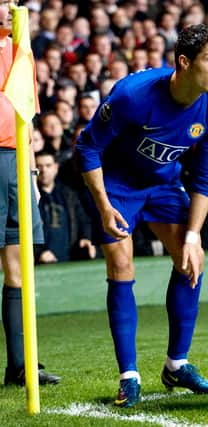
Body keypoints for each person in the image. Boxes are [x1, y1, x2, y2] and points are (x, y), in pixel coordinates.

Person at [75, 24, 208, 408]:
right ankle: (129, 377)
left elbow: (206, 177)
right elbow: (88, 147)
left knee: (193, 260)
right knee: (122, 265)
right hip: (117, 186)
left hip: (162, 185)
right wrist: (104, 205)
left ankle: (177, 364)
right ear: (183, 62)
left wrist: (193, 235)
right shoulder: (133, 96)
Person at [0, 0, 60, 386]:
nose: (9, 7)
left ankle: (21, 365)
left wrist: (34, 175)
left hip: (18, 161)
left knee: (19, 267)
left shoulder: (22, 49)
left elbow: (28, 117)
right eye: (2, 0)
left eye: (13, 1)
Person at [35, 151, 96, 263]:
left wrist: (86, 238)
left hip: (70, 260)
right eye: (39, 166)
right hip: (40, 263)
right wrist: (38, 253)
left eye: (48, 166)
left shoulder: (69, 195)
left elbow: (84, 220)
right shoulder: (28, 198)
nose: (43, 170)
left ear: (56, 168)